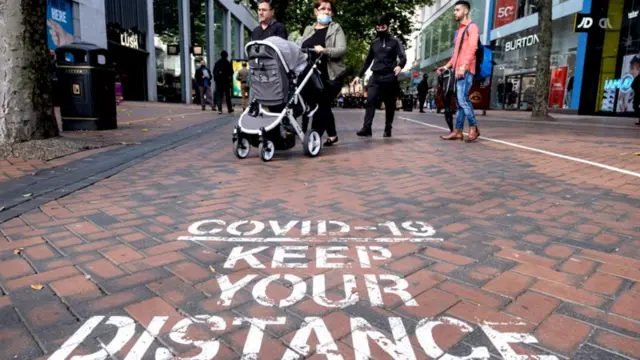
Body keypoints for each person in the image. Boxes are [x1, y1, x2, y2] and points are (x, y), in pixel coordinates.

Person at [297, 0, 347, 146]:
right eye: (323, 9)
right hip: (310, 75)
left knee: (322, 103)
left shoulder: (335, 28)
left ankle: (314, 137)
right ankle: (332, 134)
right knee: (317, 103)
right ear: (315, 12)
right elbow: (301, 47)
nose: (326, 12)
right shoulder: (308, 29)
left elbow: (342, 49)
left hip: (331, 76)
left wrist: (325, 51)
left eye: (329, 10)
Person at [351, 15, 407, 138]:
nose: (380, 29)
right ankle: (367, 128)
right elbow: (367, 60)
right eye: (378, 27)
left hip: (389, 77)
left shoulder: (395, 41)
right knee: (370, 101)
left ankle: (388, 128)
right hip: (375, 76)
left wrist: (400, 66)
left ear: (387, 27)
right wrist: (358, 75)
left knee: (389, 104)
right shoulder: (374, 43)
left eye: (383, 27)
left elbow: (402, 56)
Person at [437, 0, 480, 142]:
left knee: (462, 99)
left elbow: (473, 47)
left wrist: (463, 66)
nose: (455, 12)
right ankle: (458, 131)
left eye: (457, 10)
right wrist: (447, 66)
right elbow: (456, 54)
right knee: (460, 102)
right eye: (454, 10)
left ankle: (474, 128)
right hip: (457, 69)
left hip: (466, 69)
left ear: (465, 11)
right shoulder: (459, 31)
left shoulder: (472, 27)